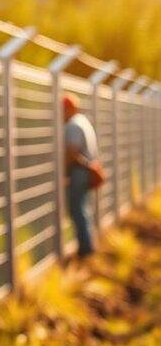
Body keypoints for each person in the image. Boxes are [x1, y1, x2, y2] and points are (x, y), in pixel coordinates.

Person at [62, 93, 99, 257]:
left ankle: (85, 248)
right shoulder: (83, 122)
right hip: (86, 171)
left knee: (77, 209)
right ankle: (87, 244)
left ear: (69, 109)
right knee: (83, 208)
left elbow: (72, 152)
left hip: (78, 172)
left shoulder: (73, 125)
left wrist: (65, 172)